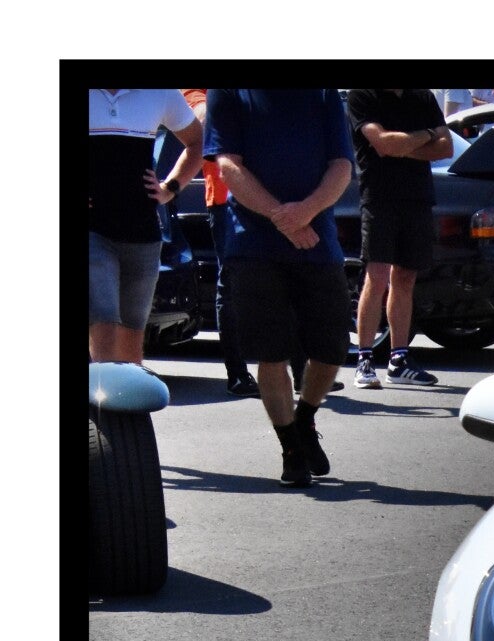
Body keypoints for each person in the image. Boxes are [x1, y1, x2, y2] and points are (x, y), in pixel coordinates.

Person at [204, 88, 355, 488]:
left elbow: (341, 165)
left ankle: (304, 419)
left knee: (332, 347)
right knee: (272, 354)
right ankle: (290, 448)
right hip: (253, 244)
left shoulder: (322, 92)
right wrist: (282, 217)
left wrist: (305, 211)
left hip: (317, 240)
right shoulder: (229, 92)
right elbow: (229, 166)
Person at [346, 89, 451, 389]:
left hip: (417, 198)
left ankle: (399, 360)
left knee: (405, 278)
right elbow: (384, 144)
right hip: (379, 198)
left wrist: (404, 146)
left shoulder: (422, 97)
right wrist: (426, 135)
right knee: (377, 276)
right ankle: (365, 359)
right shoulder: (362, 96)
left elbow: (445, 147)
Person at [90, 89, 203, 365]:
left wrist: (170, 187)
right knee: (103, 323)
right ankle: (104, 393)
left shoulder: (159, 92)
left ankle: (127, 393)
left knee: (132, 338)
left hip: (143, 234)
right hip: (93, 232)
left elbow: (199, 142)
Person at [180, 89, 256, 395]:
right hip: (226, 199)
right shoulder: (198, 91)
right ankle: (237, 374)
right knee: (232, 285)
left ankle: (302, 371)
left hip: (270, 192)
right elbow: (203, 119)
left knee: (283, 276)